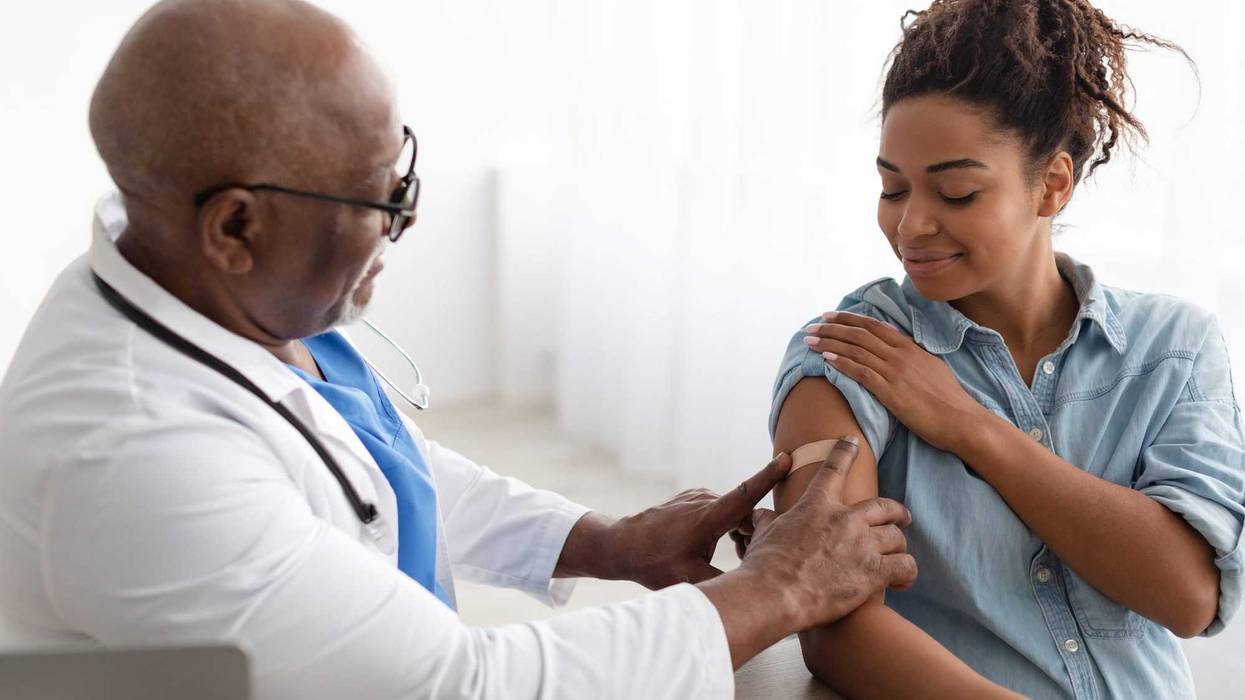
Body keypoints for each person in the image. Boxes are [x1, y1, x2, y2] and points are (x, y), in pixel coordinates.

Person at [0, 0, 919, 698]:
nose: (405, 217)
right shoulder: (134, 455)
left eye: (404, 168)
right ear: (235, 226)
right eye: (381, 198)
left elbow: (376, 469)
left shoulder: (195, 282)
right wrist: (775, 590)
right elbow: (463, 685)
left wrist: (607, 542)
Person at [769, 1, 1245, 698]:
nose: (910, 225)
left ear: (1051, 183)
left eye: (956, 192)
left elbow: (1186, 596)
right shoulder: (848, 353)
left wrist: (970, 429)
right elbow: (831, 624)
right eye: (890, 188)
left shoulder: (1172, 349)